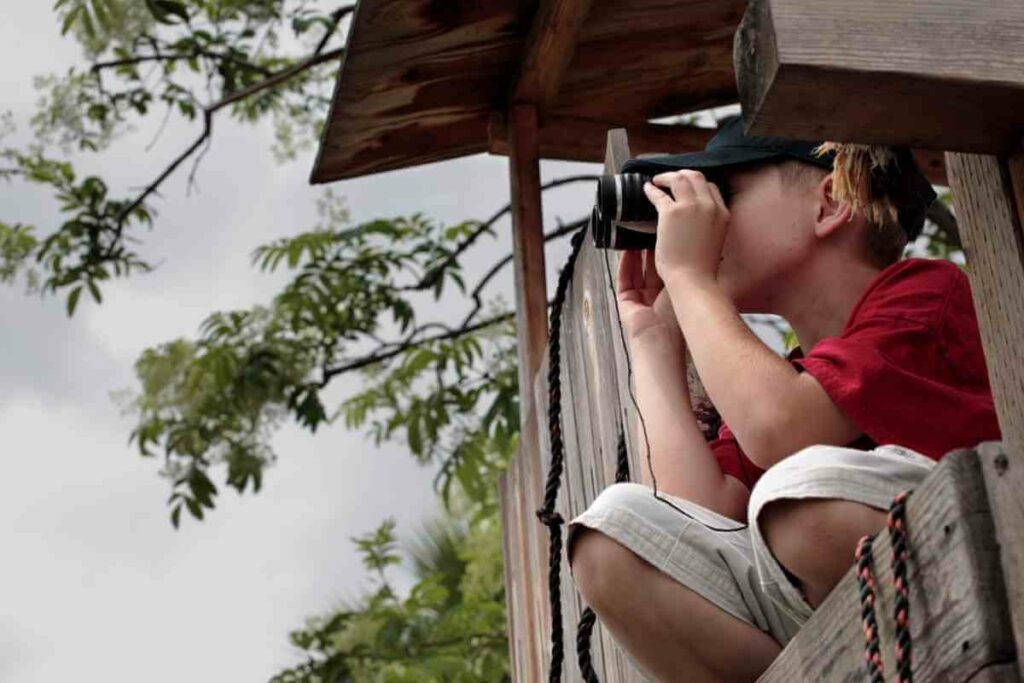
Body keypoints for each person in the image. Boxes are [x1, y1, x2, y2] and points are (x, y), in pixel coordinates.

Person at [566, 114, 1001, 682]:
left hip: (976, 546)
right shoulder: (785, 377)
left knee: (796, 501)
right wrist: (652, 341)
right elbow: (692, 514)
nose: (705, 220)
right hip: (850, 622)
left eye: (724, 193)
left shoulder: (925, 294)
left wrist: (691, 278)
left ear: (830, 202)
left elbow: (780, 428)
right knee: (612, 541)